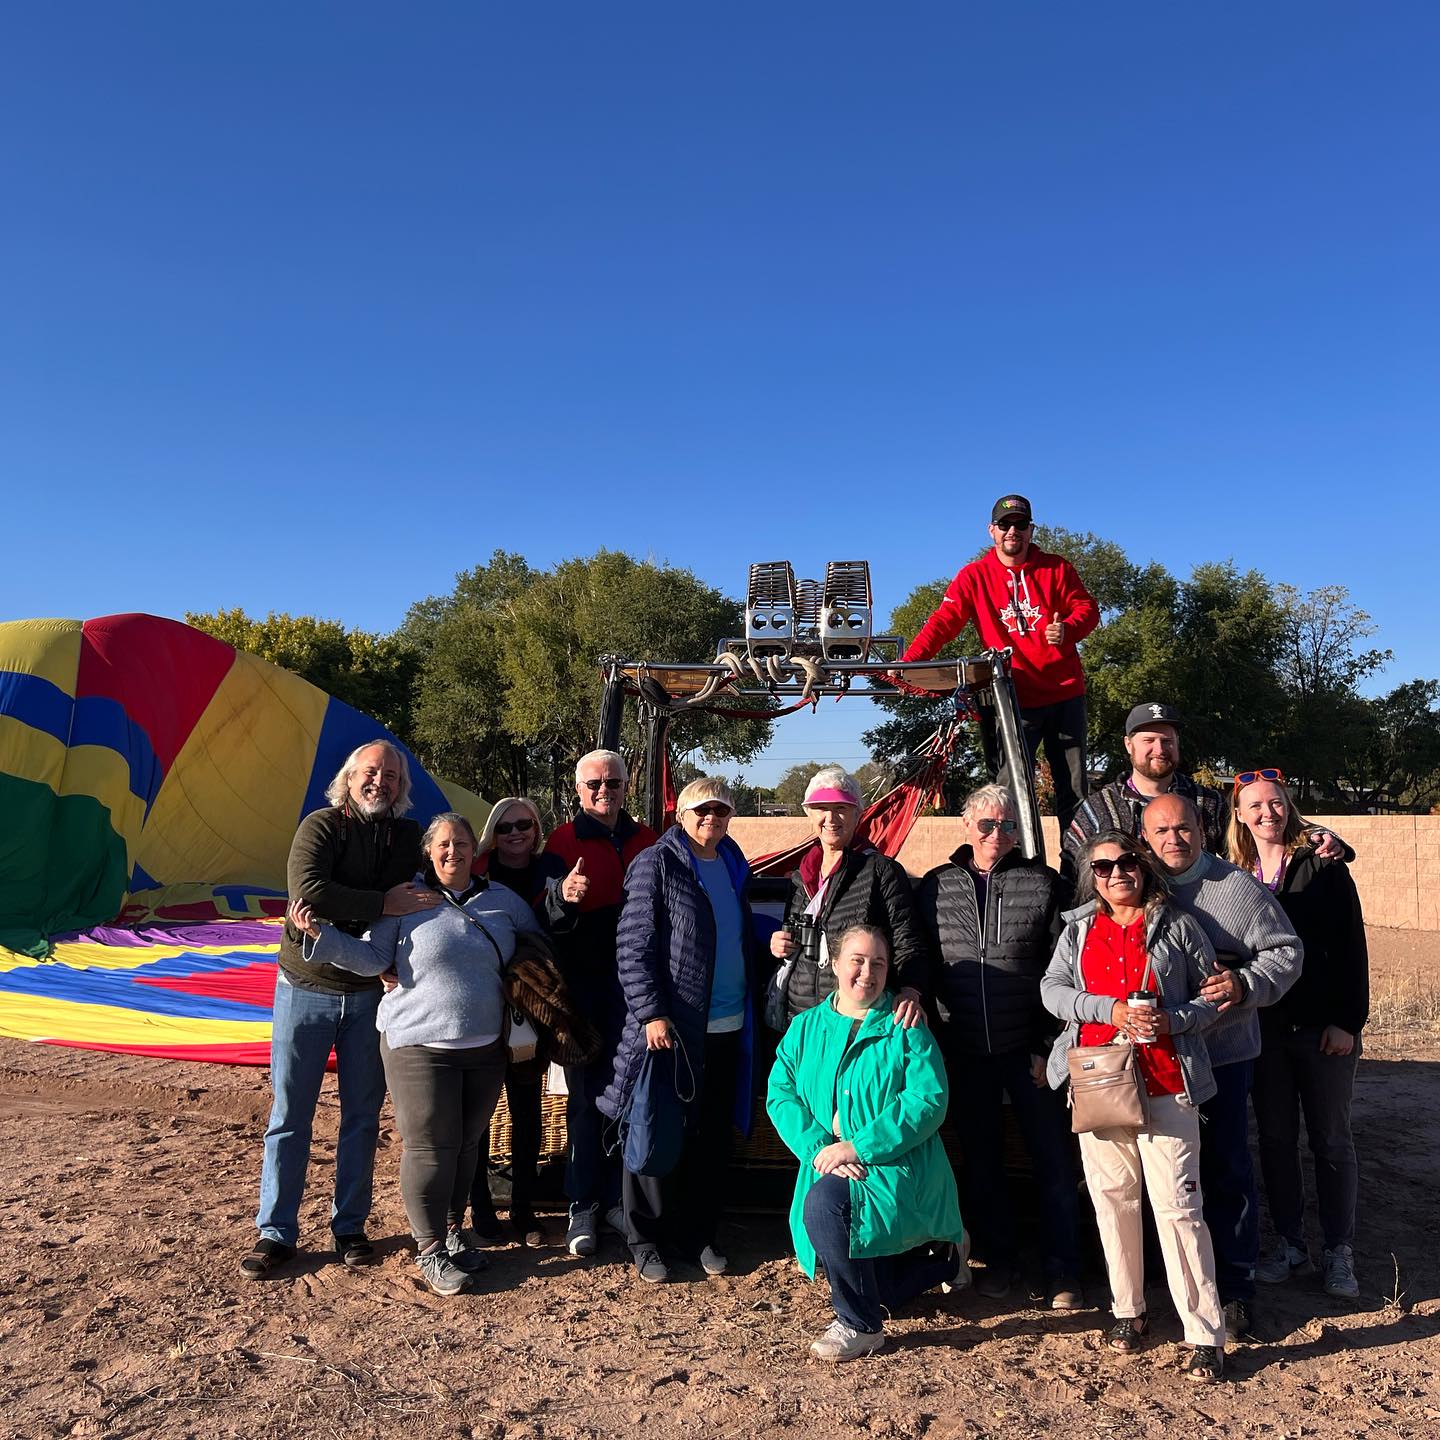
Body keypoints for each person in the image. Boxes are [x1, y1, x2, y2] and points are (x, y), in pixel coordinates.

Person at [288, 811, 545, 1296]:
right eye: (444, 844)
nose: (453, 851)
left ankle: (452, 1232)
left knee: (468, 1144)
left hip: (486, 1045)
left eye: (462, 843)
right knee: (430, 1145)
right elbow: (371, 958)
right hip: (417, 1044)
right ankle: (429, 1249)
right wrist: (323, 937)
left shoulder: (503, 903)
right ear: (429, 851)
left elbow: (536, 946)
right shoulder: (406, 902)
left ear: (476, 849)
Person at [240, 740, 437, 1280]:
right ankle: (275, 1232)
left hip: (371, 992)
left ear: (401, 788)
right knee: (289, 1115)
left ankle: (349, 1225)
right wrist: (378, 903)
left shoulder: (404, 837)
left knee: (361, 1116)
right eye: (370, 773)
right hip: (306, 985)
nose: (381, 783)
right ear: (349, 779)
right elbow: (309, 892)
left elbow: (413, 893)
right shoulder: (320, 826)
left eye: (392, 777)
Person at [1041, 832, 1227, 1381]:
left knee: (1179, 1210)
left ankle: (1204, 1333)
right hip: (1100, 1082)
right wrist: (1110, 1010)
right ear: (1091, 876)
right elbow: (1052, 992)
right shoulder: (1077, 931)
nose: (1116, 874)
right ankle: (1129, 1312)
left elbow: (1211, 995)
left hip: (1169, 1082)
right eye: (1102, 867)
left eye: (1126, 863)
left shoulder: (1180, 925)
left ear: (1142, 868)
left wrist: (1175, 1019)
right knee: (1113, 1201)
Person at [1140, 792, 1303, 1342]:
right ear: (1146, 838)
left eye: (1182, 828)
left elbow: (1285, 950)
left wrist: (1245, 984)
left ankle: (1235, 1287)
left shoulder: (1237, 888)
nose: (1173, 840)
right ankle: (1180, 1285)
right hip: (1157, 1060)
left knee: (1226, 1167)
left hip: (1224, 1055)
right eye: (1160, 831)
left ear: (1202, 827)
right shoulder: (1137, 890)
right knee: (1167, 1177)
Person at [913, 783, 1079, 1308]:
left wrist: (1046, 1044)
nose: (996, 834)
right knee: (982, 1162)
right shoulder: (937, 886)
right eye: (986, 825)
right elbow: (922, 960)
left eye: (1007, 825)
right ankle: (1000, 1260)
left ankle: (1064, 1270)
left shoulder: (1042, 883)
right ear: (966, 827)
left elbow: (1062, 967)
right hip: (964, 1049)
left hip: (1027, 1047)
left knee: (1054, 1160)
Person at [767, 925, 966, 1362]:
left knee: (823, 1207)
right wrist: (821, 1148)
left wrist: (857, 1147)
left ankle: (860, 1327)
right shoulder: (805, 1027)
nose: (867, 972)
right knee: (878, 1286)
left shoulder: (905, 1024)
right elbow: (781, 1094)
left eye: (878, 962)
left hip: (895, 1162)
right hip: (829, 1158)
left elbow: (927, 1100)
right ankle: (945, 1261)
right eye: (857, 960)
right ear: (835, 964)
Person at [599, 777, 756, 1283]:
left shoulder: (732, 863)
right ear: (681, 814)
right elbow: (633, 946)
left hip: (727, 1023)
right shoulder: (657, 863)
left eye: (721, 809)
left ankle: (698, 1235)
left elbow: (732, 930)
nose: (712, 817)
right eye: (701, 809)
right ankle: (645, 1238)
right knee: (654, 1130)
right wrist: (651, 1013)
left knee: (710, 1136)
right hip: (673, 1028)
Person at [1227, 770, 1369, 1300]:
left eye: (1276, 802)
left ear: (1290, 805)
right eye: (1255, 805)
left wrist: (1347, 1022)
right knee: (1276, 1138)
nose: (1268, 812)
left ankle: (1339, 1250)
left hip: (1321, 1029)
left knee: (1332, 1138)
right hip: (1261, 1030)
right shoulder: (1232, 876)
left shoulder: (1323, 867)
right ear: (1239, 815)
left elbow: (1352, 948)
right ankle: (1291, 1243)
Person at [898, 494, 1099, 832]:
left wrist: (1069, 629)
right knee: (1009, 788)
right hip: (1013, 697)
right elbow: (944, 622)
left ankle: (1075, 872)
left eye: (1020, 524)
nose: (1012, 531)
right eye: (1005, 525)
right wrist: (909, 664)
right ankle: (1015, 870)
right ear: (991, 530)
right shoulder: (974, 577)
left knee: (1074, 789)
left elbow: (1088, 610)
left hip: (1065, 692)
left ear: (1031, 530)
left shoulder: (1057, 568)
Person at [544, 749, 658, 1258]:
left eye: (612, 782)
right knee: (587, 1098)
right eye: (594, 783)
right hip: (587, 990)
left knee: (632, 1094)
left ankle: (617, 1196)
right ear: (578, 789)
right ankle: (583, 1202)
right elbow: (539, 916)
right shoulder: (562, 843)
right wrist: (561, 897)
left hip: (637, 991)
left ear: (626, 787)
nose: (603, 791)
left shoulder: (648, 840)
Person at [1061, 702, 1348, 892]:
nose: (1159, 749)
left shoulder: (1207, 802)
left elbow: (1261, 830)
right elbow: (1074, 877)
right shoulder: (1097, 810)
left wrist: (1318, 835)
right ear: (1128, 745)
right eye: (1148, 740)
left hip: (1203, 936)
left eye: (1168, 741)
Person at [464, 796, 585, 1248]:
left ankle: (524, 1208)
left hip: (528, 1008)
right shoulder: (474, 874)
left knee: (526, 1109)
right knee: (477, 1112)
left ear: (537, 831)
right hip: (478, 1008)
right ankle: (481, 1207)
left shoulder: (551, 868)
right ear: (493, 833)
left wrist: (567, 900)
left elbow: (556, 924)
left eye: (525, 826)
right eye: (506, 826)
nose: (516, 834)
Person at [768, 766, 926, 1027]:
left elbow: (907, 938)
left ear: (857, 814)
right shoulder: (801, 876)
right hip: (802, 1016)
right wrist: (780, 945)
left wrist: (910, 989)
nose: (830, 818)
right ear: (809, 814)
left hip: (856, 1014)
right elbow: (792, 936)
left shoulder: (880, 871)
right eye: (821, 808)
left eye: (841, 808)